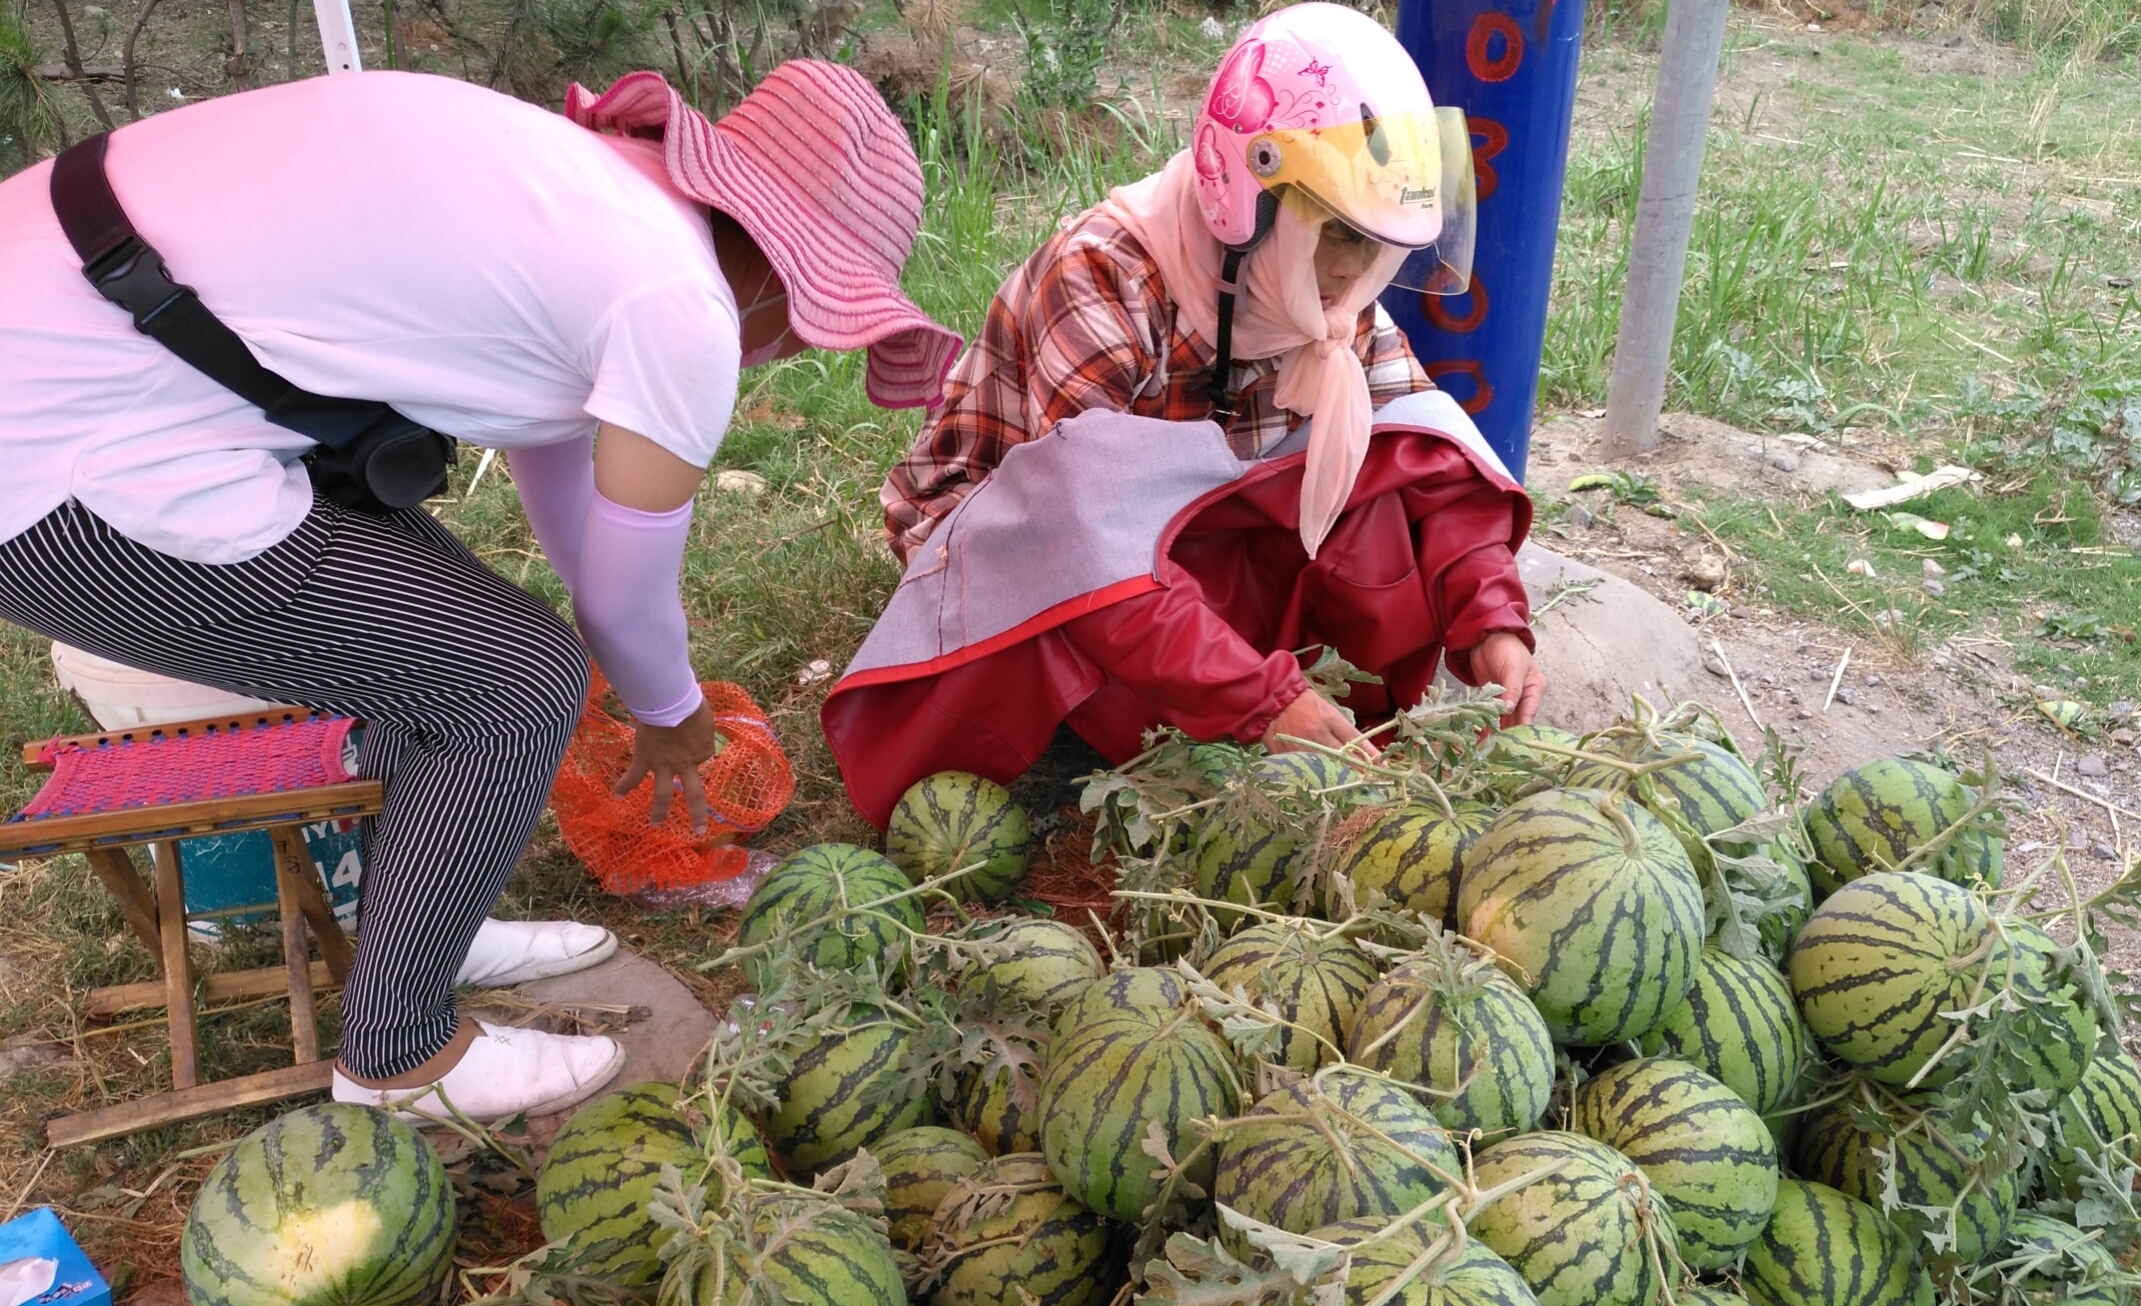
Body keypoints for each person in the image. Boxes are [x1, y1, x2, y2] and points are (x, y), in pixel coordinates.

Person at [0, 62, 959, 1119]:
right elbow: (623, 599)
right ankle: (400, 1055)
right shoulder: (674, 294)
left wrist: (619, 661)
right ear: (783, 268)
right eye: (813, 320)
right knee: (512, 682)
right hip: (56, 458)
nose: (787, 348)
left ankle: (425, 927)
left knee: (462, 651)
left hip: (91, 353)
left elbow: (570, 502)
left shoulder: (581, 197)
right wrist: (669, 712)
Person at [821, 3, 1545, 829]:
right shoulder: (1102, 277)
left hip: (1186, 522)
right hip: (1023, 540)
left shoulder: (1322, 296)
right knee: (1105, 655)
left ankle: (1243, 701)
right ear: (1248, 197)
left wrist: (1492, 622)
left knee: (1388, 490)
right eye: (1337, 233)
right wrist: (1260, 700)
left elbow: (1435, 474)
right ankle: (1194, 717)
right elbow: (1082, 549)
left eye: (1377, 242)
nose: (1353, 272)